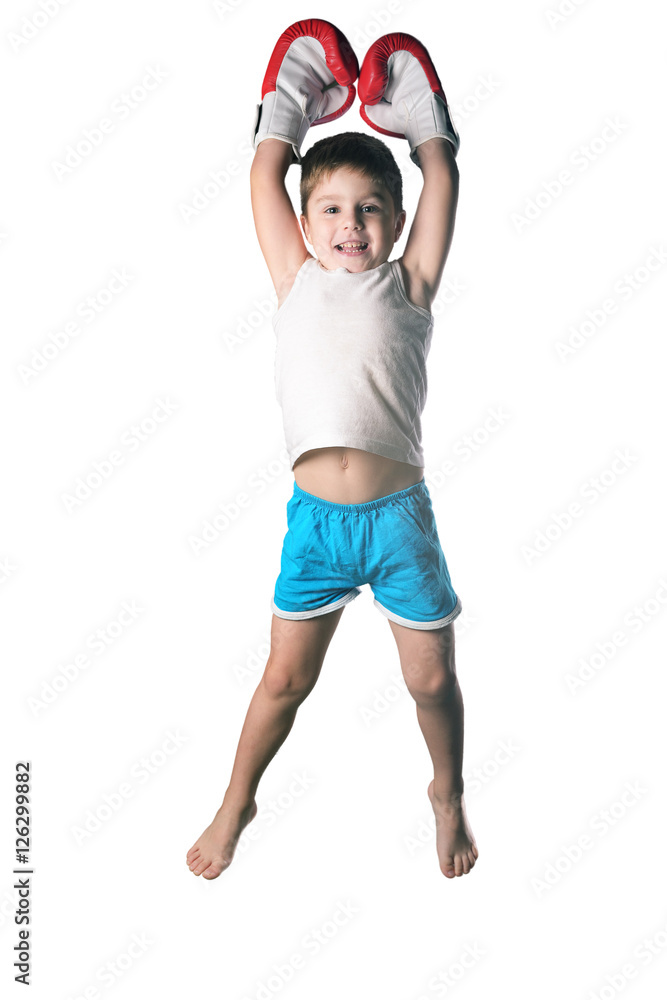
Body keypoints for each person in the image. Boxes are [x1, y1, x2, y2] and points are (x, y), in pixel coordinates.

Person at [187, 19, 478, 880]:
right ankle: (236, 799)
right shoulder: (293, 279)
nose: (351, 225)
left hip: (398, 525)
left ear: (392, 222)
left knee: (430, 682)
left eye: (369, 210)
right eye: (332, 210)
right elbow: (263, 170)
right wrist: (290, 107)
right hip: (314, 527)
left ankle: (447, 792)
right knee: (283, 681)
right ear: (307, 223)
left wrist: (425, 128)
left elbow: (442, 173)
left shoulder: (410, 285)